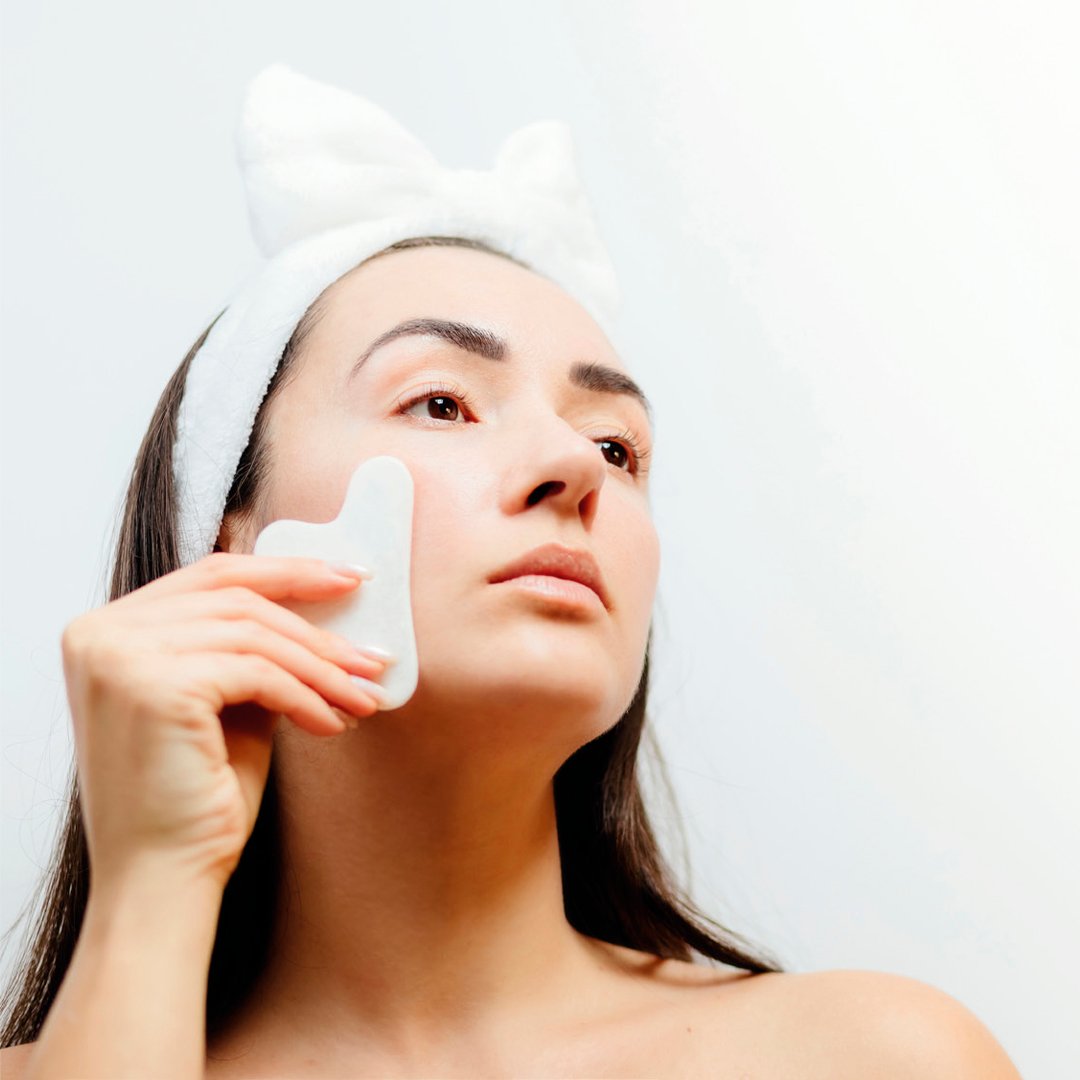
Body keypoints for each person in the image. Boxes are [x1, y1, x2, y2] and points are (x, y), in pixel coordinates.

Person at [0, 69, 1022, 1079]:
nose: (577, 467)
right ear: (229, 537)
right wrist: (154, 886)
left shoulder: (879, 1057)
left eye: (617, 447)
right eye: (441, 403)